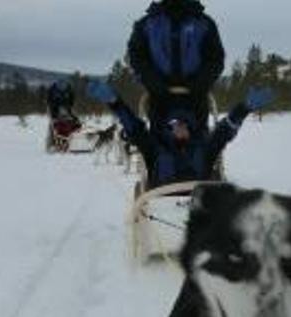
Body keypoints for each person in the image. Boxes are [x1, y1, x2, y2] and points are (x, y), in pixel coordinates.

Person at [88, 80, 271, 189]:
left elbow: (225, 130)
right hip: (160, 210)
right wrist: (115, 102)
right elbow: (134, 128)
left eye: (184, 125)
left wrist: (245, 108)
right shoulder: (155, 148)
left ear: (191, 127)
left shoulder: (204, 147)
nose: (179, 128)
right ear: (167, 128)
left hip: (202, 214)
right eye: (174, 125)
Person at [127, 0, 225, 130]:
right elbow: (136, 57)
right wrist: (152, 81)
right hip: (159, 99)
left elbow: (216, 58)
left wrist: (201, 82)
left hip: (196, 98)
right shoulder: (146, 24)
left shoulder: (205, 23)